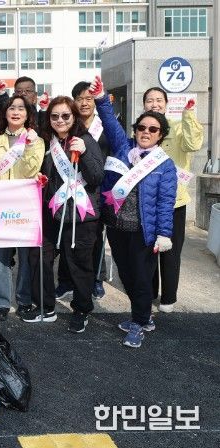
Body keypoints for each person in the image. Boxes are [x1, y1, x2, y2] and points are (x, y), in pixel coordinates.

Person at [91, 76, 177, 348]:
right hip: (117, 227)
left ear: (160, 135)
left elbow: (165, 202)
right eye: (141, 127)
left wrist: (164, 233)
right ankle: (143, 317)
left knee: (140, 278)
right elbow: (109, 121)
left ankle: (139, 322)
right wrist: (101, 98)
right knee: (126, 275)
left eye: (153, 129)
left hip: (143, 231)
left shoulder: (165, 165)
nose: (146, 132)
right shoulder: (123, 147)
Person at [23, 96, 103, 333]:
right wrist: (40, 179)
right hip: (53, 211)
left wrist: (84, 154)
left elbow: (96, 177)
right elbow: (45, 173)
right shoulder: (49, 143)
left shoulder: (86, 140)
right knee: (40, 258)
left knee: (79, 265)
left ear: (74, 117)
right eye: (55, 116)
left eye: (65, 115)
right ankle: (45, 306)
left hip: (81, 215)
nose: (60, 120)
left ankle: (81, 310)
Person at [0, 95, 45, 321]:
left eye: (21, 108)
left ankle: (24, 300)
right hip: (0, 206)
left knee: (26, 257)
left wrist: (29, 146)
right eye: (12, 108)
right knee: (0, 257)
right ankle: (1, 302)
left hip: (25, 207)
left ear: (28, 114)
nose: (16, 112)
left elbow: (31, 171)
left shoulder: (36, 141)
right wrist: (2, 190)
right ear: (5, 113)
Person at [142, 87, 203, 313]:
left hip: (174, 202)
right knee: (148, 248)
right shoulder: (142, 129)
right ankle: (149, 292)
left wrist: (189, 116)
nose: (154, 104)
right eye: (150, 100)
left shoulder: (178, 127)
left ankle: (168, 297)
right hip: (147, 202)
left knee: (170, 252)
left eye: (159, 100)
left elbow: (193, 144)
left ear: (166, 104)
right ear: (144, 104)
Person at [54, 82, 113, 302]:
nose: (85, 103)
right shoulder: (67, 126)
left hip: (96, 189)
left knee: (94, 239)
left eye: (89, 99)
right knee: (67, 238)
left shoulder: (103, 126)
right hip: (67, 189)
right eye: (80, 99)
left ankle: (96, 279)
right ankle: (66, 281)